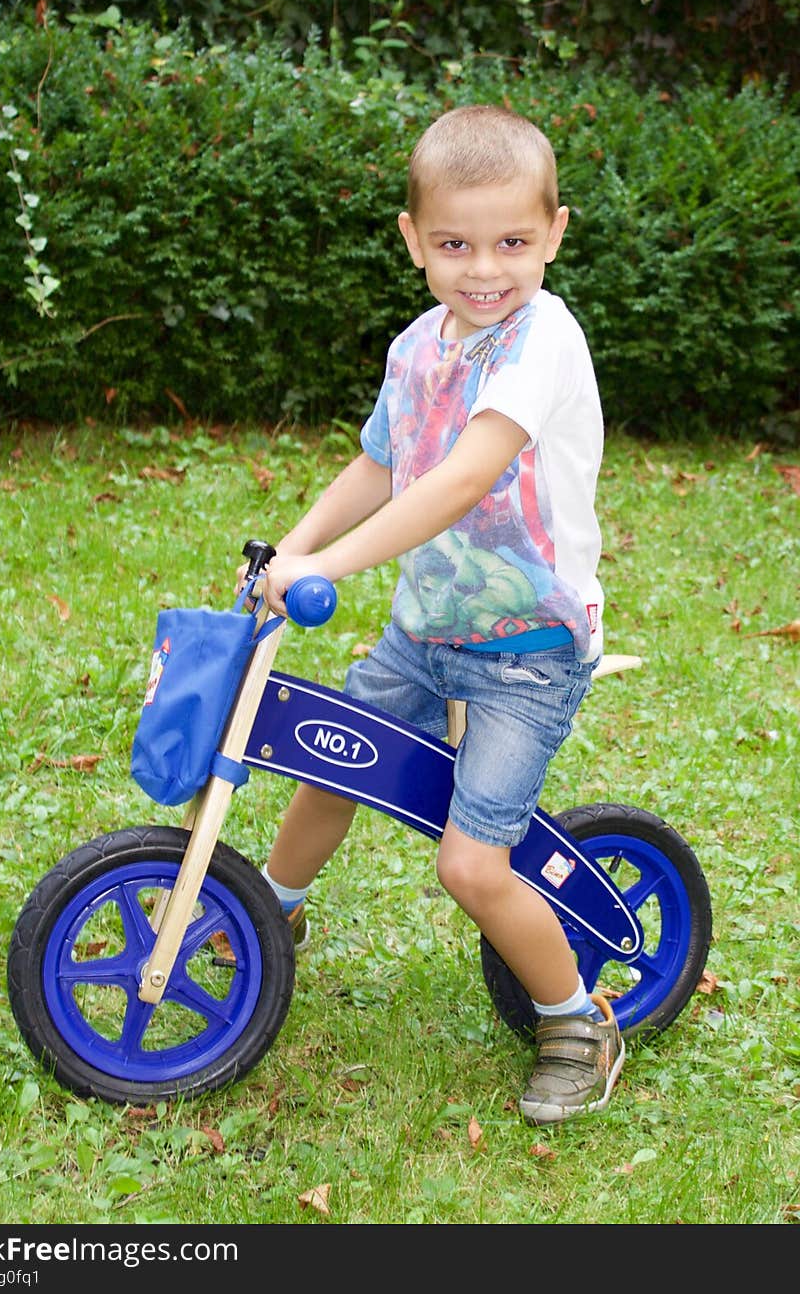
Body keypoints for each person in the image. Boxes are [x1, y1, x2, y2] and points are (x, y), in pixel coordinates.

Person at [244, 103, 624, 1125]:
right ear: (413, 240)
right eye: (454, 243)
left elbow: (459, 480)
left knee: (471, 861)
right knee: (331, 756)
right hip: (425, 632)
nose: (483, 268)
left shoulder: (542, 342)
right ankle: (270, 916)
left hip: (525, 651)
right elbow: (381, 460)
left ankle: (575, 1021)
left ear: (553, 233)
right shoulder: (419, 345)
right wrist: (293, 545)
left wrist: (329, 561)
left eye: (511, 242)